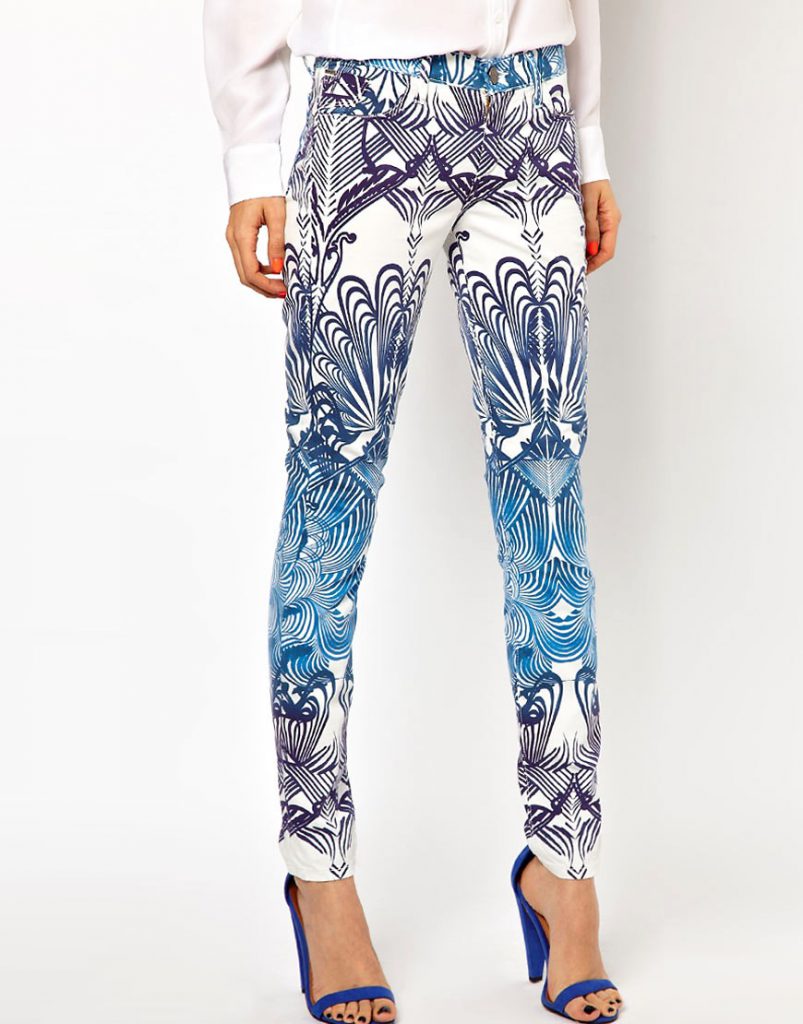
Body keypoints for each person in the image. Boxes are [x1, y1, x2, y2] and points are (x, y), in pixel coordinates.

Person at [203, 2, 623, 1022]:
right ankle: (320, 876)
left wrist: (587, 135)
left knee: (548, 511)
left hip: (530, 115)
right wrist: (251, 155)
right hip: (362, 112)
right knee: (328, 504)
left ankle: (565, 868)